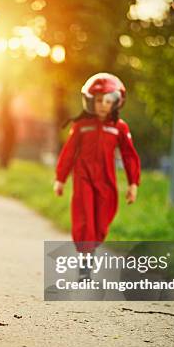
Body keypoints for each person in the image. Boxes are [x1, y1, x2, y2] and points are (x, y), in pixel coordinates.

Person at [53, 73, 141, 276]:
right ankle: (85, 260)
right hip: (83, 176)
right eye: (99, 100)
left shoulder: (119, 127)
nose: (103, 105)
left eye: (108, 101)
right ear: (90, 101)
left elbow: (129, 155)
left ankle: (91, 248)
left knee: (101, 221)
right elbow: (68, 153)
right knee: (85, 218)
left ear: (116, 102)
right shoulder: (81, 125)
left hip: (106, 179)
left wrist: (133, 183)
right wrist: (60, 179)